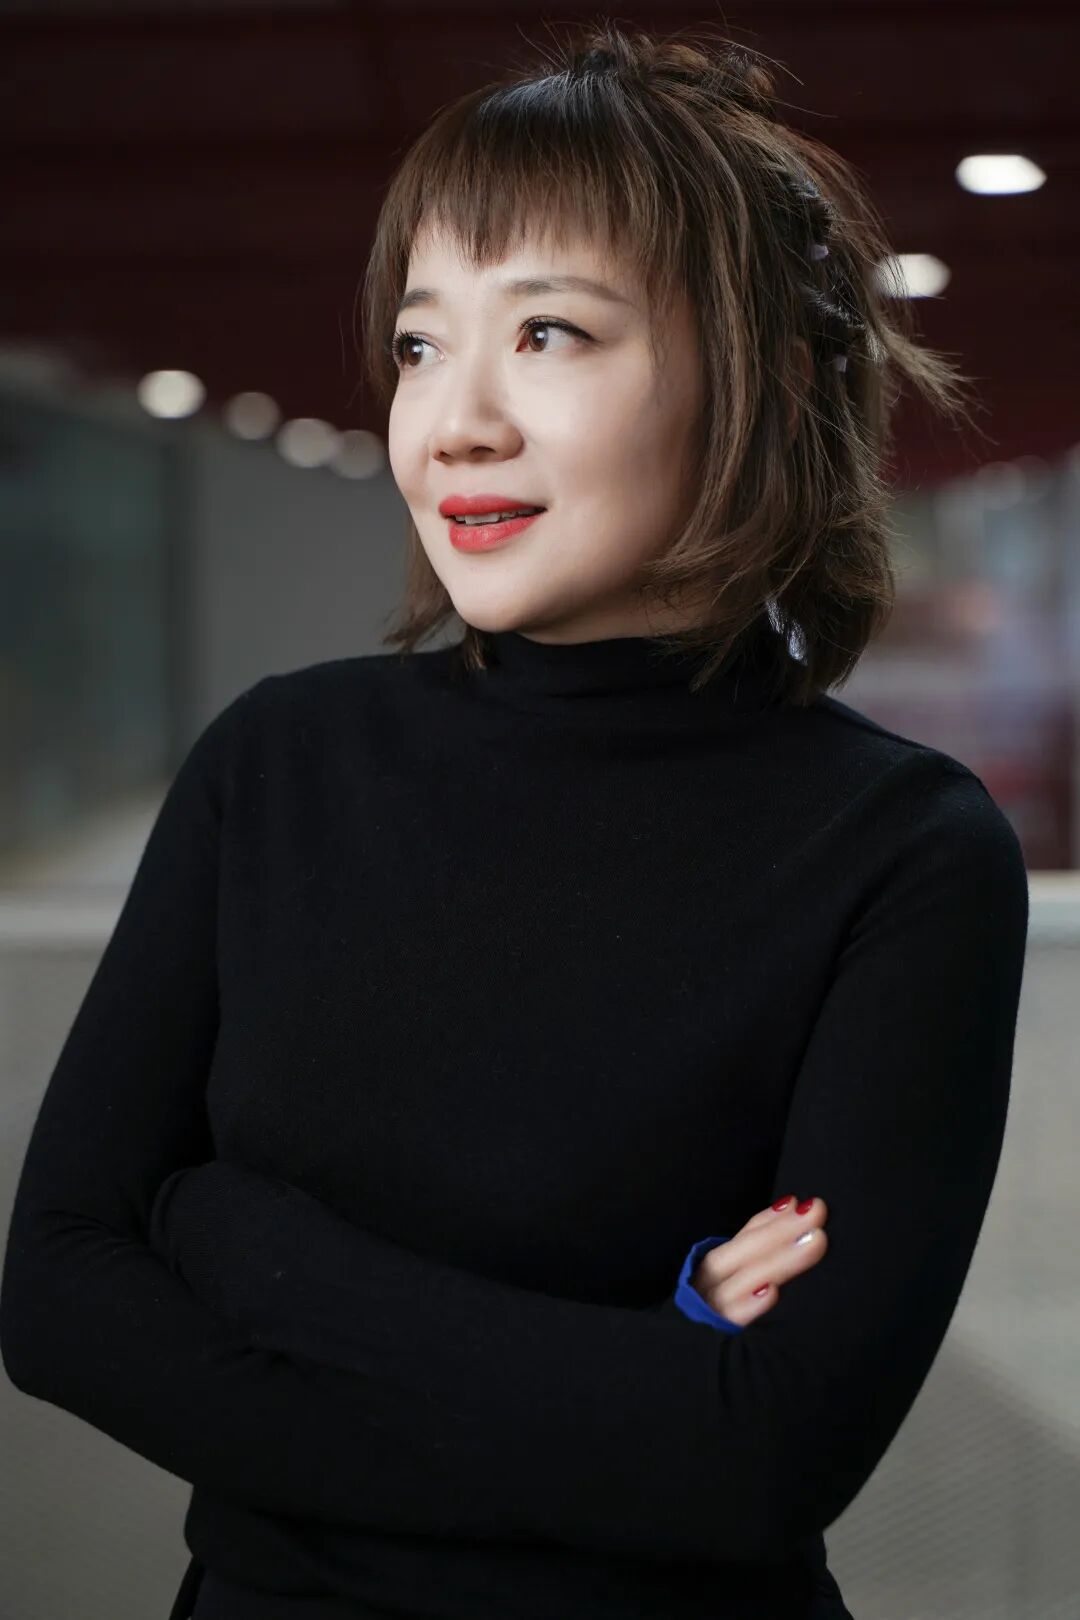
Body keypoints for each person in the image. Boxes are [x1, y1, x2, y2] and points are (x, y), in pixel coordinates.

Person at [0, 23, 1029, 1620]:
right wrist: (641, 1384)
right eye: (422, 345)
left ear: (759, 376)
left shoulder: (904, 853)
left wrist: (240, 1243)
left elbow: (758, 1464)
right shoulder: (277, 763)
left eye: (548, 331)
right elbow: (60, 1296)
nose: (454, 421)